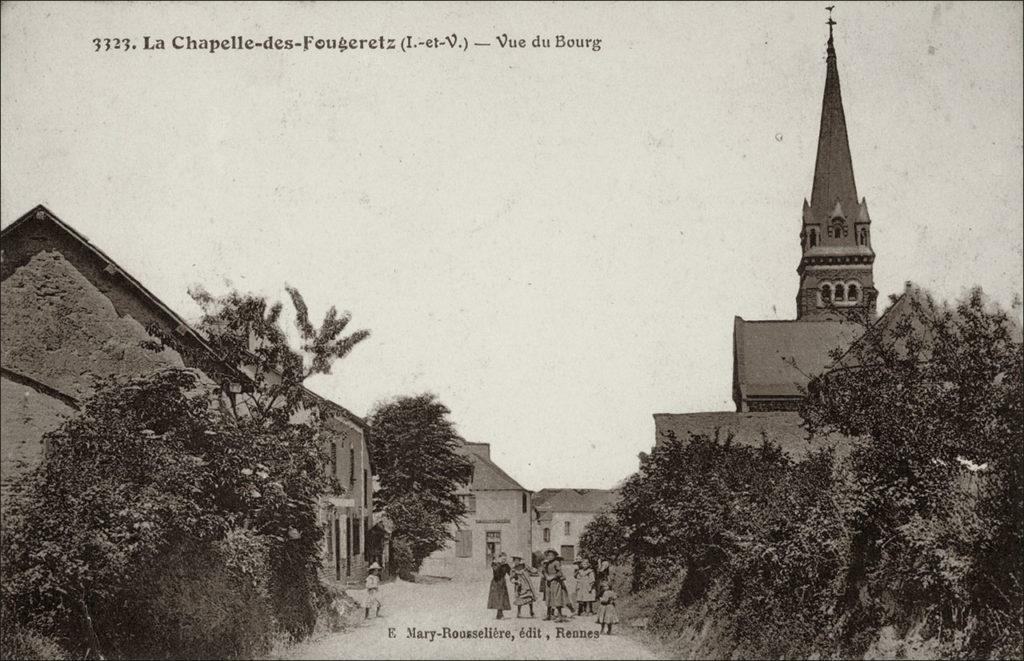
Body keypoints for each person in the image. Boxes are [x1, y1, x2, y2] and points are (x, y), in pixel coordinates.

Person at [541, 549, 570, 622]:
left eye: (552, 555)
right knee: (548, 598)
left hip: (556, 582)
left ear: (554, 556)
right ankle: (548, 615)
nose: (550, 557)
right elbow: (543, 571)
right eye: (548, 555)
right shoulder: (546, 563)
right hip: (548, 583)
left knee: (557, 598)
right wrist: (546, 576)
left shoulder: (556, 563)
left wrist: (552, 577)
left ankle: (560, 616)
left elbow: (560, 573)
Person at [487, 552, 512, 619]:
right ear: (499, 558)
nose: (504, 560)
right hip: (496, 583)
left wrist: (515, 577)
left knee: (502, 598)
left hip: (502, 583)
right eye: (503, 559)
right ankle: (500, 614)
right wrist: (499, 564)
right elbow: (496, 573)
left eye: (505, 559)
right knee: (497, 598)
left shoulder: (506, 565)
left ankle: (499, 614)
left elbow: (511, 573)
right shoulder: (495, 564)